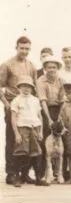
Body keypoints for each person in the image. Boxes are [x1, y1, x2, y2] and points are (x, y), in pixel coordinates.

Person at [1, 36, 37, 184]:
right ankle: (11, 173)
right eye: (22, 48)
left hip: (27, 107)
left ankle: (24, 173)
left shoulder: (31, 66)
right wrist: (5, 103)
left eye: (27, 48)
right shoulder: (7, 65)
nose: (24, 51)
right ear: (16, 47)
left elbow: (34, 87)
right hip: (13, 105)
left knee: (27, 139)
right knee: (12, 139)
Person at [9, 77, 43, 188]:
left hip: (35, 127)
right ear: (19, 88)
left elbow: (39, 116)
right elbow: (13, 118)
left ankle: (38, 178)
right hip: (22, 128)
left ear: (32, 88)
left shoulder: (35, 100)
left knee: (36, 152)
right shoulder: (16, 100)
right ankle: (17, 177)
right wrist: (17, 133)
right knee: (21, 152)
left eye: (28, 87)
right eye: (23, 86)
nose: (26, 89)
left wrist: (41, 131)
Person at [36, 57, 65, 184]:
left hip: (59, 110)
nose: (51, 69)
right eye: (49, 67)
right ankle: (44, 174)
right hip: (45, 110)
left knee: (61, 140)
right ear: (45, 68)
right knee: (45, 141)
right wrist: (48, 119)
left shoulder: (61, 80)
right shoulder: (41, 80)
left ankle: (59, 174)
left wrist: (59, 117)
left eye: (54, 67)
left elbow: (63, 100)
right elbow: (42, 100)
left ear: (57, 68)